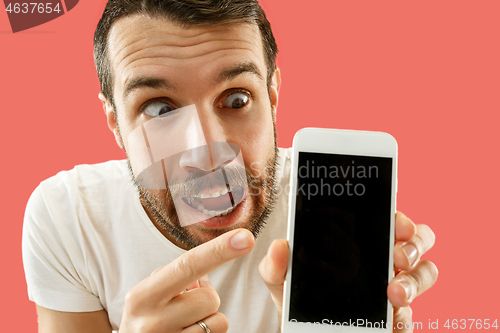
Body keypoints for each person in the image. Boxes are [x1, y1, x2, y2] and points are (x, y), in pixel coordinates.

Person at [22, 1, 438, 332]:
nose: (206, 153)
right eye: (159, 109)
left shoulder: (337, 198)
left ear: (272, 96)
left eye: (237, 99)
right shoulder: (70, 216)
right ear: (115, 121)